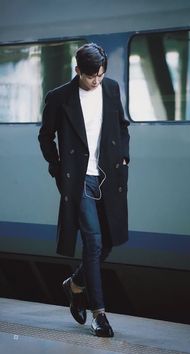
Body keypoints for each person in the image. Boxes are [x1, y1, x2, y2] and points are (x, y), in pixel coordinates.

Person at [38, 43, 130, 337]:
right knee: (93, 242)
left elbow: (122, 125)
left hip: (108, 177)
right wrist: (58, 169)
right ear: (78, 70)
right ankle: (99, 314)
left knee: (109, 242)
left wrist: (124, 156)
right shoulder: (59, 97)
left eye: (100, 75)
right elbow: (45, 136)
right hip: (79, 181)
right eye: (91, 77)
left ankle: (75, 284)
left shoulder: (112, 89)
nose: (96, 82)